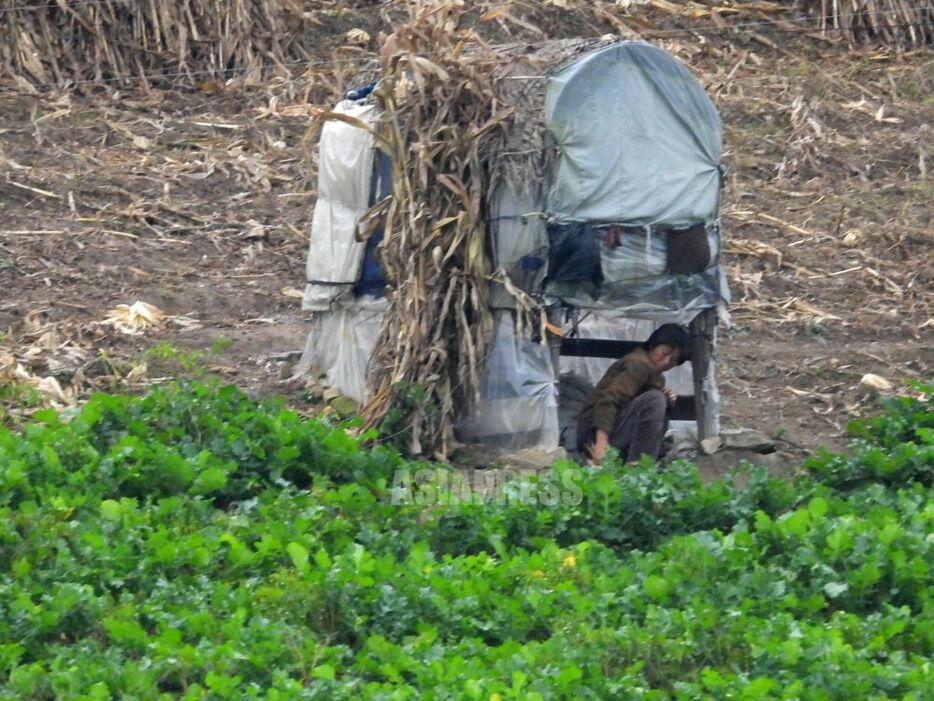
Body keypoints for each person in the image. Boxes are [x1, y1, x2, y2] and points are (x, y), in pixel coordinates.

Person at [576, 324, 690, 465]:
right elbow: (609, 400)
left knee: (660, 400)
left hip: (611, 431)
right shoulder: (638, 364)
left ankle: (636, 462)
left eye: (673, 360)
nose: (666, 362)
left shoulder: (655, 375)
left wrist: (669, 400)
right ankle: (639, 466)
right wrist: (601, 443)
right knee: (655, 400)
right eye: (664, 353)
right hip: (593, 433)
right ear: (653, 345)